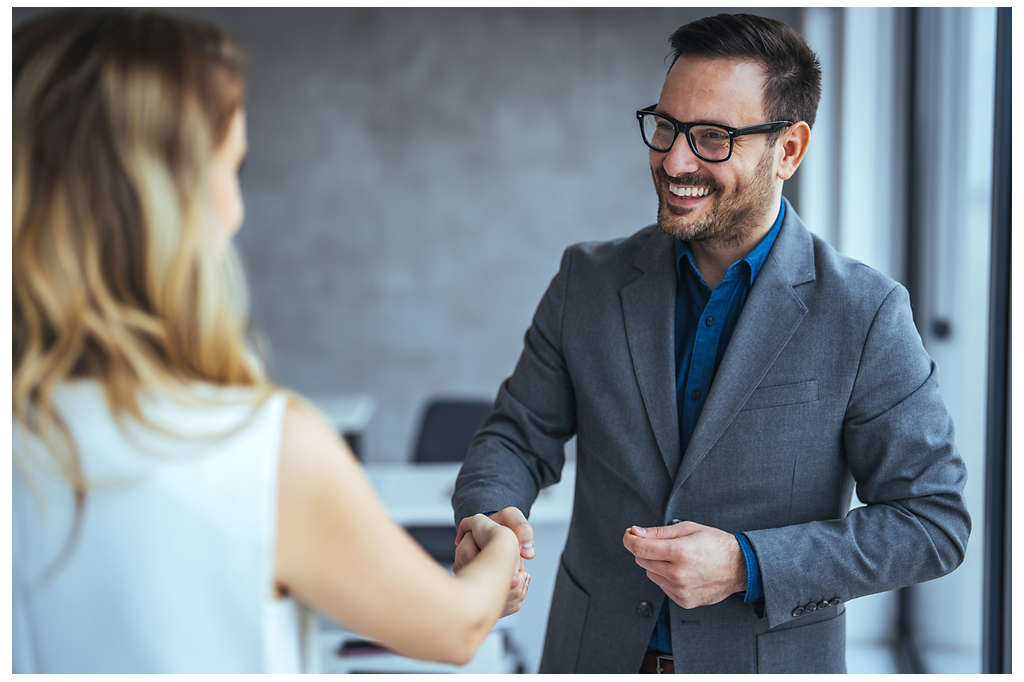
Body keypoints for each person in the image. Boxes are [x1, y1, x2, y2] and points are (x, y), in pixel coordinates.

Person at [451, 12, 970, 674]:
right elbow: (515, 438)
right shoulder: (587, 280)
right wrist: (488, 517)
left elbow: (932, 522)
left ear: (788, 150)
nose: (674, 160)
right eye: (666, 126)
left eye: (713, 138)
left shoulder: (864, 313)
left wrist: (747, 564)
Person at [12, 8, 521, 673]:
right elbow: (455, 629)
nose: (236, 210)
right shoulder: (261, 449)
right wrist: (500, 542)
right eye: (233, 169)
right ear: (172, 202)